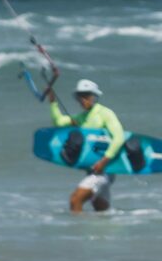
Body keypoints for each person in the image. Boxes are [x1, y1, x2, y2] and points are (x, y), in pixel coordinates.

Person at [48, 75, 127, 214]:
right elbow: (59, 122)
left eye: (86, 96)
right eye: (80, 96)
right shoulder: (82, 118)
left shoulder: (105, 113)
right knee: (100, 207)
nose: (83, 99)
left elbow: (119, 137)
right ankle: (107, 232)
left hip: (105, 170)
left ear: (94, 97)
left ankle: (80, 234)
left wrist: (104, 161)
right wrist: (53, 102)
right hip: (92, 170)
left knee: (75, 200)